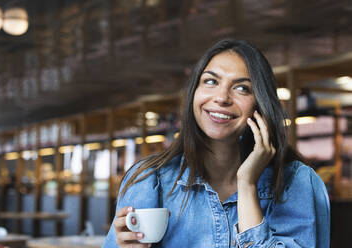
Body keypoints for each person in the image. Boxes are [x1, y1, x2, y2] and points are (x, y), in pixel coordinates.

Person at [102, 39, 330, 248]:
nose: (222, 97)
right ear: (194, 93)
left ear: (260, 104)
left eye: (242, 88)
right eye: (210, 81)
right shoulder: (150, 181)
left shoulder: (297, 183)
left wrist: (247, 185)